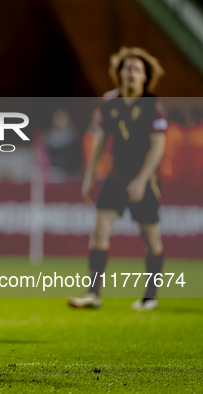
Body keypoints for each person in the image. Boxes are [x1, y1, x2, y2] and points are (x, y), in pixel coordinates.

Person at [68, 47, 166, 311]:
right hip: (116, 176)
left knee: (152, 240)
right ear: (119, 73)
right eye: (127, 68)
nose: (130, 73)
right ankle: (93, 293)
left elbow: (158, 146)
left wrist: (143, 179)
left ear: (145, 77)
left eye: (136, 69)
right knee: (100, 231)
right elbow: (100, 141)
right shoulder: (110, 102)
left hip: (145, 180)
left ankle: (150, 296)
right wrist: (89, 176)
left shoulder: (153, 106)